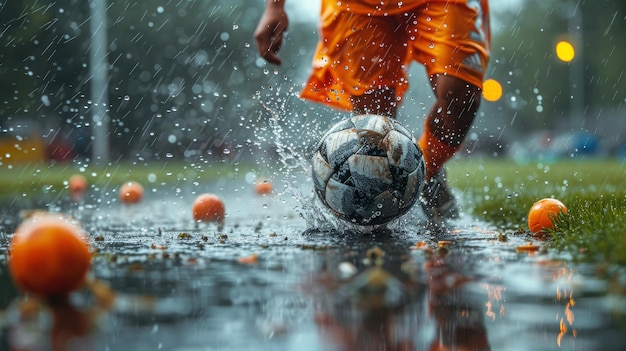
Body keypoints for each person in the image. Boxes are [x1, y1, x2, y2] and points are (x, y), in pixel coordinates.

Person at [254, 0, 491, 224]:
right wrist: (275, 6)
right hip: (358, 6)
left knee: (462, 93)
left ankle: (425, 174)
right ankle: (393, 200)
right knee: (374, 129)